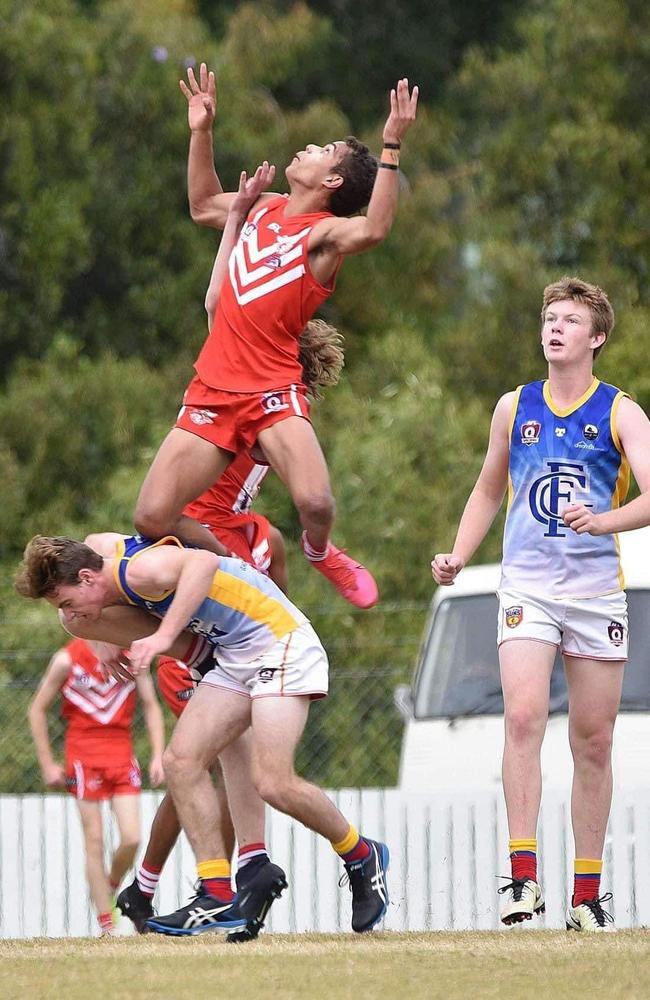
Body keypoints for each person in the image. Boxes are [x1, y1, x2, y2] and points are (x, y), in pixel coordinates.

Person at [133, 62, 418, 609]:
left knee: (316, 502)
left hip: (270, 392)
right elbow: (200, 204)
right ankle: (234, 572)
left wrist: (391, 144)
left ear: (331, 181)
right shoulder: (264, 209)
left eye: (322, 149)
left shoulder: (324, 237)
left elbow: (376, 228)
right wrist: (202, 132)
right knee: (150, 517)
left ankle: (320, 552)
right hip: (215, 389)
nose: (308, 146)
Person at [15, 532, 391, 935]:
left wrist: (159, 637)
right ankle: (217, 892)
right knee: (181, 762)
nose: (69, 612)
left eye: (68, 600)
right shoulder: (96, 560)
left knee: (273, 782)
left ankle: (362, 854)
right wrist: (95, 634)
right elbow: (93, 542)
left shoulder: (141, 570)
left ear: (88, 578)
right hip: (233, 653)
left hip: (279, 641)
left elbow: (202, 563)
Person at [431, 277, 650, 932]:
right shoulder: (513, 406)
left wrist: (602, 523)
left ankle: (587, 894)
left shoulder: (622, 412)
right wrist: (459, 553)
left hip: (594, 593)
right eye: (549, 318)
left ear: (596, 337)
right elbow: (487, 491)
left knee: (593, 739)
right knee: (523, 717)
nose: (555, 328)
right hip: (526, 586)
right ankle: (522, 881)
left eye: (570, 320)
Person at [27, 637, 165, 935]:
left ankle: (111, 885)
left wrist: (157, 755)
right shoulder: (67, 659)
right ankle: (106, 925)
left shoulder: (131, 658)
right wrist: (48, 763)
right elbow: (36, 709)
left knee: (132, 838)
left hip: (121, 752)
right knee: (94, 841)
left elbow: (152, 706)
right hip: (81, 755)